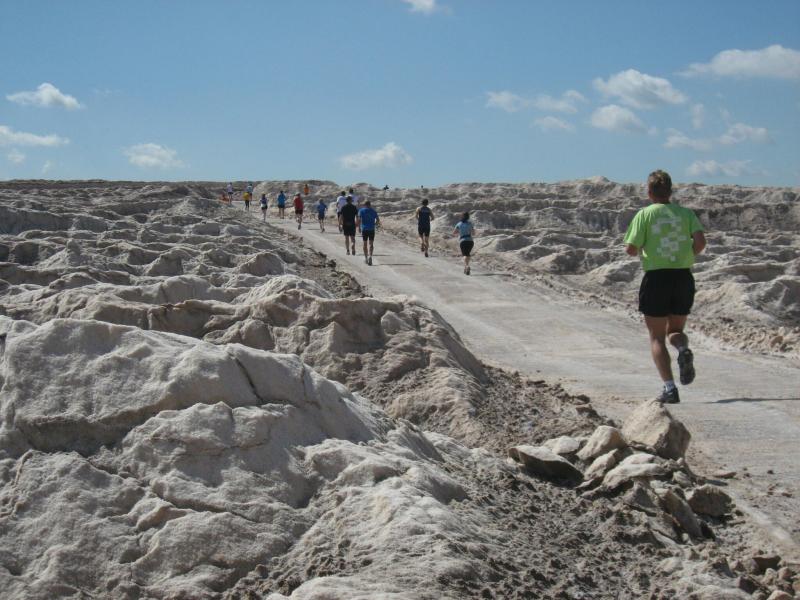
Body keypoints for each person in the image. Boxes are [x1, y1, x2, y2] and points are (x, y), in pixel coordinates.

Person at [623, 169, 706, 404]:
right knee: (675, 331)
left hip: (656, 278)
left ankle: (670, 389)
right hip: (682, 277)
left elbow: (630, 249)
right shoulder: (686, 214)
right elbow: (701, 242)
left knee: (657, 337)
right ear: (670, 191)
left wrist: (646, 248)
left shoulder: (644, 214)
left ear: (649, 192)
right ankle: (682, 350)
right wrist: (685, 256)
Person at [357, 200, 380, 265]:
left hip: (364, 229)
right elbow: (377, 220)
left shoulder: (361, 211)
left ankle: (366, 258)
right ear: (370, 204)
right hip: (371, 229)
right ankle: (370, 256)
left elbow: (359, 220)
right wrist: (375, 225)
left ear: (364, 205)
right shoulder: (373, 211)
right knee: (371, 244)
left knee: (365, 243)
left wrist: (359, 227)